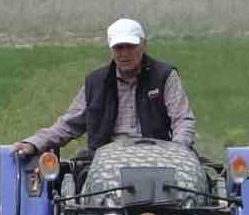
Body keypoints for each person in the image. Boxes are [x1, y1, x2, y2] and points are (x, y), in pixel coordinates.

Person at [11, 18, 197, 159]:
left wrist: (175, 152)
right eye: (118, 47)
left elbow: (183, 120)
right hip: (105, 159)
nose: (124, 54)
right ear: (111, 49)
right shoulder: (96, 82)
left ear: (144, 45)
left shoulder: (165, 76)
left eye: (130, 46)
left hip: (158, 157)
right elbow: (68, 124)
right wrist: (33, 144)